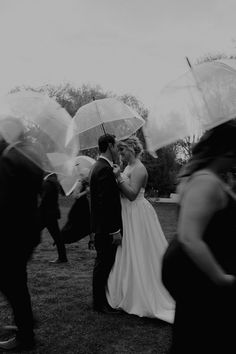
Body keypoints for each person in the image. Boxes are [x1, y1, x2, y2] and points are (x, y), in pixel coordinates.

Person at [161, 120, 236, 353]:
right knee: (200, 336)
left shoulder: (207, 177)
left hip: (196, 270)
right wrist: (221, 278)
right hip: (197, 273)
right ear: (228, 150)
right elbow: (189, 237)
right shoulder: (206, 181)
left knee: (198, 334)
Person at [106, 136, 175, 323]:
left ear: (132, 149)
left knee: (140, 250)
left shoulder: (140, 169)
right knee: (128, 250)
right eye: (119, 150)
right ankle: (127, 288)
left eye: (123, 150)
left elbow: (131, 194)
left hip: (137, 212)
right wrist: (119, 175)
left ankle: (144, 292)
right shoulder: (127, 167)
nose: (120, 154)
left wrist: (117, 177)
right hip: (127, 214)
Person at [0, 137, 43, 351]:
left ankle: (26, 330)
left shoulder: (9, 159)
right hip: (26, 235)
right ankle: (25, 324)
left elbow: (5, 201)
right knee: (16, 283)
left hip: (11, 236)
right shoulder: (29, 156)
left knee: (12, 284)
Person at [89, 134, 123, 314]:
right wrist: (115, 230)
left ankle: (100, 302)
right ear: (110, 146)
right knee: (103, 264)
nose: (118, 149)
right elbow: (106, 204)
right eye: (116, 146)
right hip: (106, 229)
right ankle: (99, 304)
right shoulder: (104, 169)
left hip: (100, 228)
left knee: (102, 263)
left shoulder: (98, 167)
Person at [39, 172, 68, 263]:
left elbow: (44, 199)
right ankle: (63, 257)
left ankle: (63, 258)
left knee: (57, 236)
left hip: (47, 214)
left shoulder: (48, 183)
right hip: (51, 213)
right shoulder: (54, 181)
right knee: (57, 236)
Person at [61, 171, 94, 248]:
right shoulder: (79, 183)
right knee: (74, 224)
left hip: (86, 205)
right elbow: (75, 196)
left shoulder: (87, 184)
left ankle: (92, 241)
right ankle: (62, 238)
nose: (87, 177)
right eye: (86, 176)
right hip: (79, 206)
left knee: (89, 223)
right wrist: (85, 192)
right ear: (82, 176)